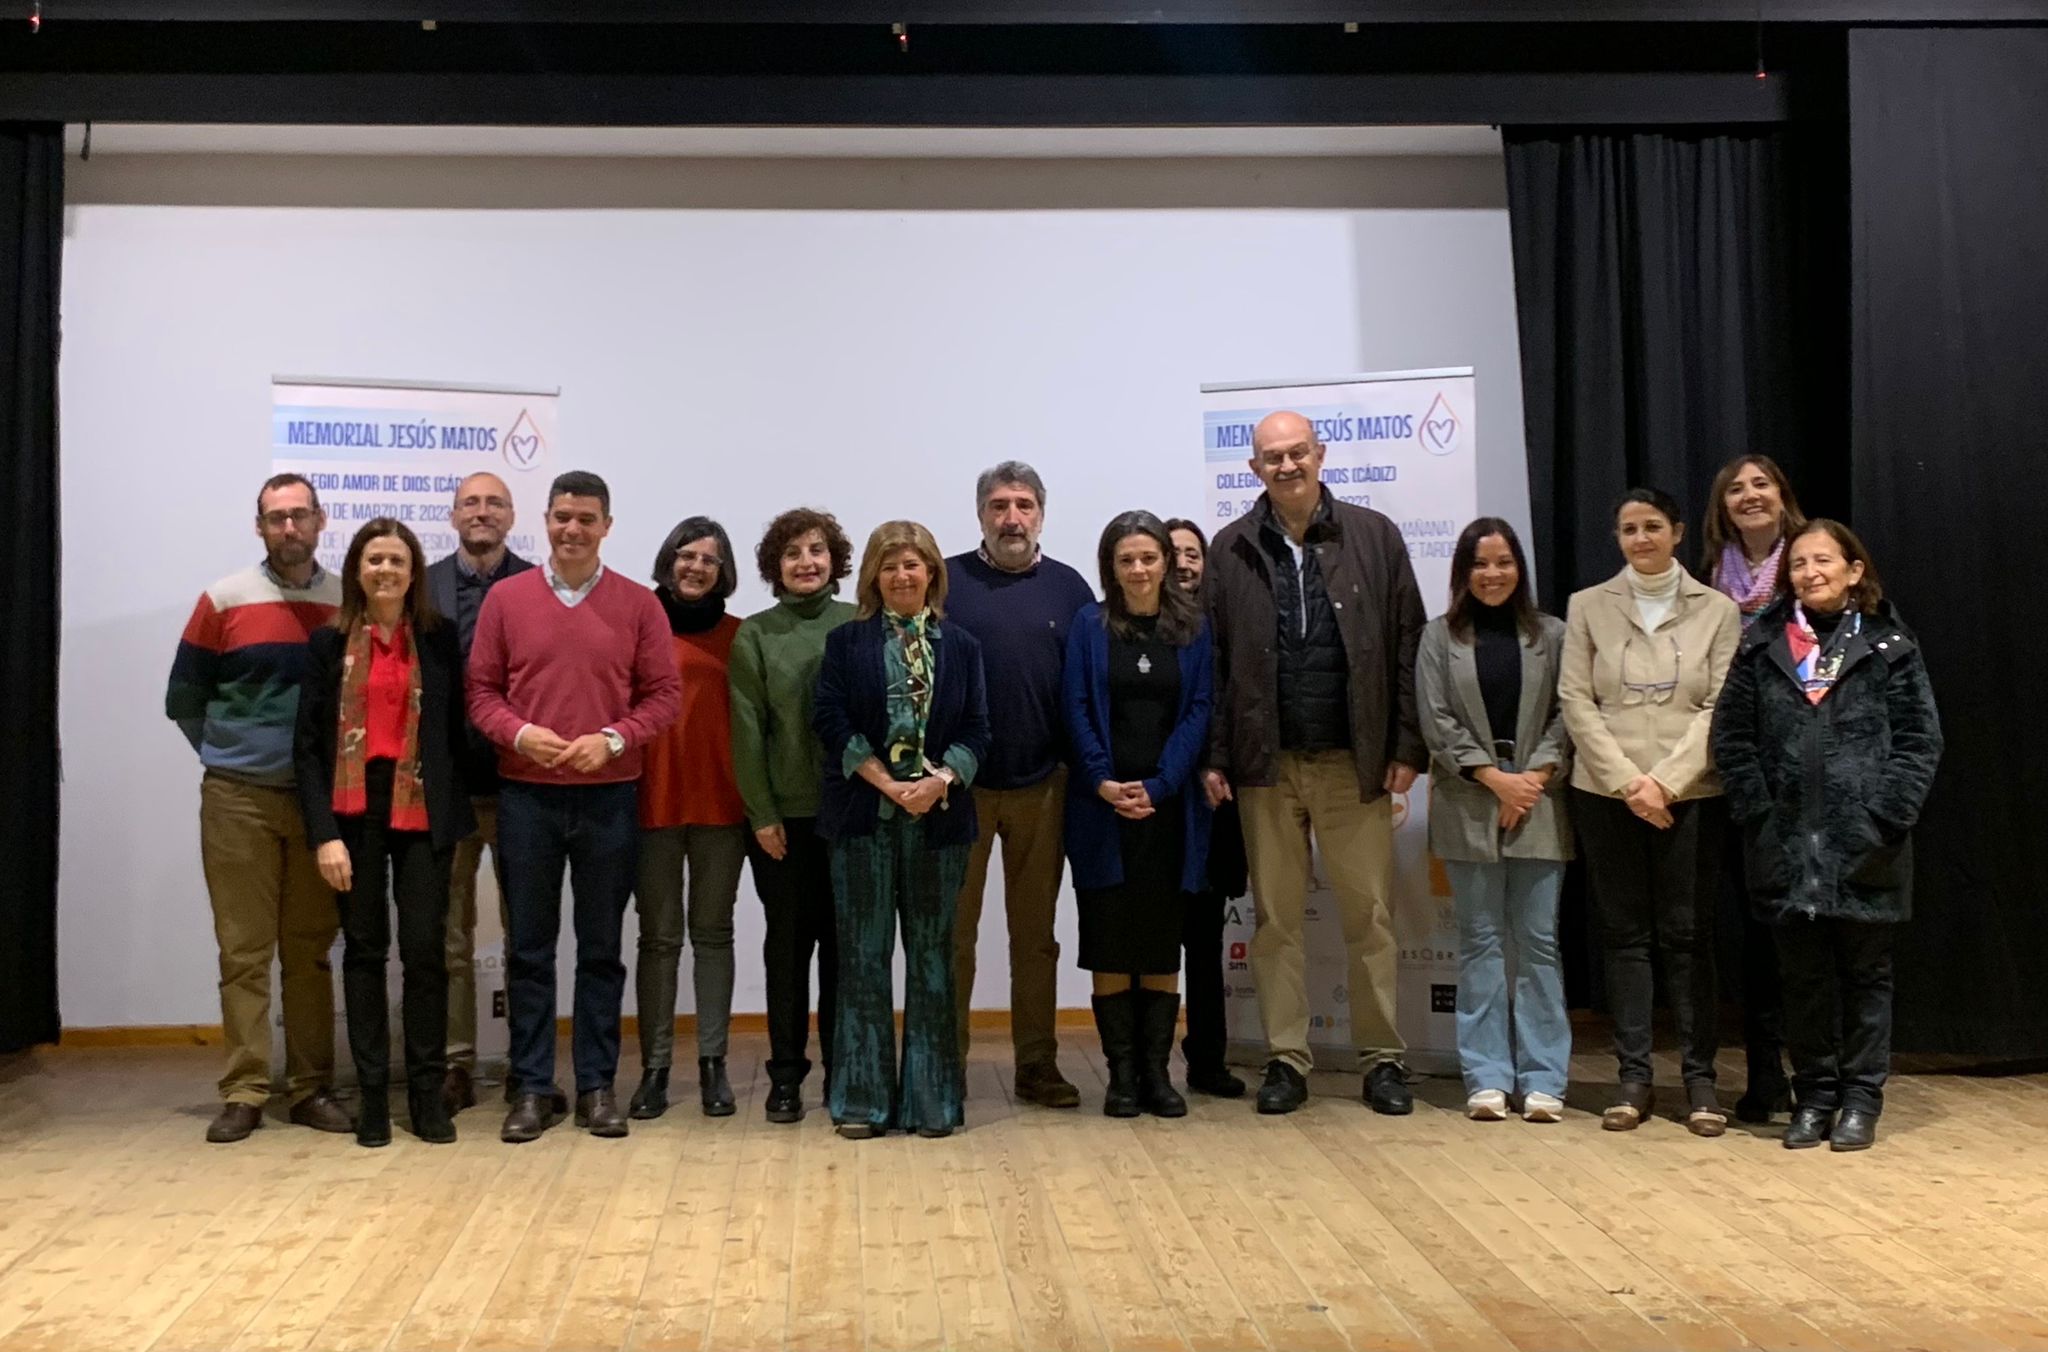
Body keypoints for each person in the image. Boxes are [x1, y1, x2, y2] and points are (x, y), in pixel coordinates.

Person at [1202, 411, 1427, 1117]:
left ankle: (1383, 1060)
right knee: (1276, 924)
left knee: (1370, 918)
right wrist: (1215, 756)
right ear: (1254, 469)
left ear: (1320, 455)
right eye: (1273, 456)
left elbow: (1406, 642)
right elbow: (1212, 660)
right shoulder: (1230, 547)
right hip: (1264, 765)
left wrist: (1406, 746)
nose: (1287, 465)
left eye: (1297, 451)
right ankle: (1286, 1060)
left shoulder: (1374, 536)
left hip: (1351, 762)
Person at [1712, 521, 1941, 1152]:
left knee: (1867, 975)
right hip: (1786, 844)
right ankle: (1812, 1096)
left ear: (1854, 570)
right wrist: (1760, 818)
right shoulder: (1763, 644)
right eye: (1799, 564)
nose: (1810, 573)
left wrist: (1882, 819)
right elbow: (1731, 740)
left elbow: (1920, 742)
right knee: (1804, 979)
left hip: (1866, 841)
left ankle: (1861, 1098)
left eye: (1823, 561)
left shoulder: (1891, 644)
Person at [467, 470, 681, 1143]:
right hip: (525, 797)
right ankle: (533, 1087)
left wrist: (614, 739)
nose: (572, 529)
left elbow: (663, 697)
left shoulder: (640, 605)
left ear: (607, 527)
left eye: (586, 519)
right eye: (562, 516)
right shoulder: (507, 600)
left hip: (610, 799)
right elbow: (480, 694)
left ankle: (595, 1086)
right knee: (529, 949)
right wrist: (522, 734)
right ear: (546, 520)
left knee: (600, 949)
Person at [166, 473, 353, 1144]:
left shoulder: (345, 601)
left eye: (300, 516)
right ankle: (245, 1090)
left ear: (321, 520)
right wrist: (232, 754)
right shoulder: (223, 600)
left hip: (318, 807)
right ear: (259, 527)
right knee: (244, 952)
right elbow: (183, 699)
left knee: (308, 953)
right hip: (237, 800)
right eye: (276, 518)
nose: (290, 528)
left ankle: (310, 1089)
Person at [1560, 487, 1742, 1136]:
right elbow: (1576, 701)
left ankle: (1699, 1084)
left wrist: (1663, 783)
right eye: (1629, 528)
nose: (1641, 538)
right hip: (1606, 794)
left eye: (1653, 527)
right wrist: (1628, 782)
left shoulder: (1718, 610)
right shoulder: (1587, 606)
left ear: (1678, 533)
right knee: (1626, 936)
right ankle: (1633, 1078)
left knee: (1689, 936)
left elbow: (1717, 705)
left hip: (1690, 795)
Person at [295, 518, 475, 1147]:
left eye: (397, 560)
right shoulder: (327, 644)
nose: (386, 571)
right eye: (374, 560)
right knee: (366, 952)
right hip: (354, 811)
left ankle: (426, 1096)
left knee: (426, 953)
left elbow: (454, 735)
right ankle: (373, 1097)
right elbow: (308, 750)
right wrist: (324, 835)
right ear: (357, 570)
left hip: (423, 808)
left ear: (413, 572)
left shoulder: (440, 639)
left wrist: (455, 821)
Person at [813, 521, 990, 1139]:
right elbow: (830, 718)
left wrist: (939, 780)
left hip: (939, 824)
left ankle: (932, 1101)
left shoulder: (962, 646)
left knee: (933, 960)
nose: (902, 576)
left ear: (933, 574)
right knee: (862, 958)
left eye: (913, 565)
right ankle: (862, 1102)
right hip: (864, 821)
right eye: (889, 566)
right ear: (872, 577)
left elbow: (978, 729)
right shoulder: (846, 644)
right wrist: (886, 783)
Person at [943, 462, 1095, 1109]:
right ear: (980, 513)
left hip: (1044, 786)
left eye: (1024, 505)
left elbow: (1089, 686)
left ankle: (1037, 1064)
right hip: (961, 788)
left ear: (1041, 513)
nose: (1012, 517)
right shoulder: (944, 581)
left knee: (1035, 937)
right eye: (1000, 505)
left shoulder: (1070, 589)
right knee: (953, 934)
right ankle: (944, 1064)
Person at [1416, 519, 1574, 1124]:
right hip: (1469, 802)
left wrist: (1530, 779)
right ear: (1463, 571)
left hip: (1540, 801)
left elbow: (1568, 711)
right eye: (1480, 564)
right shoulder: (1439, 638)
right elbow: (1436, 721)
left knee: (1538, 944)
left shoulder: (1553, 634)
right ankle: (1485, 1077)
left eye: (1504, 562)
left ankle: (1542, 1079)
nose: (1493, 574)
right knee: (1479, 944)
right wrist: (1494, 777)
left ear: (1520, 569)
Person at [1063, 512, 1213, 1118]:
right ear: (1112, 567)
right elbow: (1073, 704)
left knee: (1158, 944)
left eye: (1148, 558)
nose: (1139, 569)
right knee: (1108, 943)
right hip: (1102, 813)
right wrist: (1102, 780)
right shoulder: (1089, 625)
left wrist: (1162, 783)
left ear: (1166, 563)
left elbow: (1199, 709)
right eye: (1126, 560)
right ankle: (1120, 1075)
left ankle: (1156, 1074)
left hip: (1169, 811)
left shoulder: (1194, 629)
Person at [729, 508, 858, 1124]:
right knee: (787, 950)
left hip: (850, 817)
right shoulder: (755, 635)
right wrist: (762, 813)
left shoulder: (861, 622)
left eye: (816, 550)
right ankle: (785, 1077)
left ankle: (842, 1072)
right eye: (792, 553)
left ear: (834, 558)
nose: (806, 562)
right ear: (774, 566)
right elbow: (748, 731)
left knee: (843, 950)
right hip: (782, 823)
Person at [630, 516, 748, 1121]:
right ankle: (653, 1069)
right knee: (658, 938)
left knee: (712, 933)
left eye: (709, 558)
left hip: (721, 804)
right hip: (651, 800)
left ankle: (712, 1064)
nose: (696, 566)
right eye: (686, 555)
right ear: (668, 560)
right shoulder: (636, 624)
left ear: (723, 570)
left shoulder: (740, 635)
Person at [1701, 454, 1807, 1124]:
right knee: (1756, 935)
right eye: (1736, 489)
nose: (1750, 495)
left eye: (1762, 483)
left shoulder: (1810, 565)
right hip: (1738, 773)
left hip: (1806, 770)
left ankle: (1821, 1078)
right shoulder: (1710, 581)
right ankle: (1766, 1077)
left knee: (1809, 934)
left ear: (1783, 495)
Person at [424, 471, 535, 1112]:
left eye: (494, 503)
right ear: (454, 514)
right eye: (471, 502)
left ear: (511, 515)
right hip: (445, 788)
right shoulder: (425, 586)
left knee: (528, 934)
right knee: (450, 936)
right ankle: (455, 1063)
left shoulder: (534, 587)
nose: (482, 512)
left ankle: (528, 1065)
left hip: (520, 785)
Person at [1163, 518, 1247, 1098]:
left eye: (1195, 554)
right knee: (1159, 939)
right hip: (1162, 800)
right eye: (1175, 554)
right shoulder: (1134, 628)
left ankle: (1208, 1058)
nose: (1186, 563)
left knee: (1206, 940)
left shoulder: (1230, 628)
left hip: (1217, 805)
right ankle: (1147, 1062)